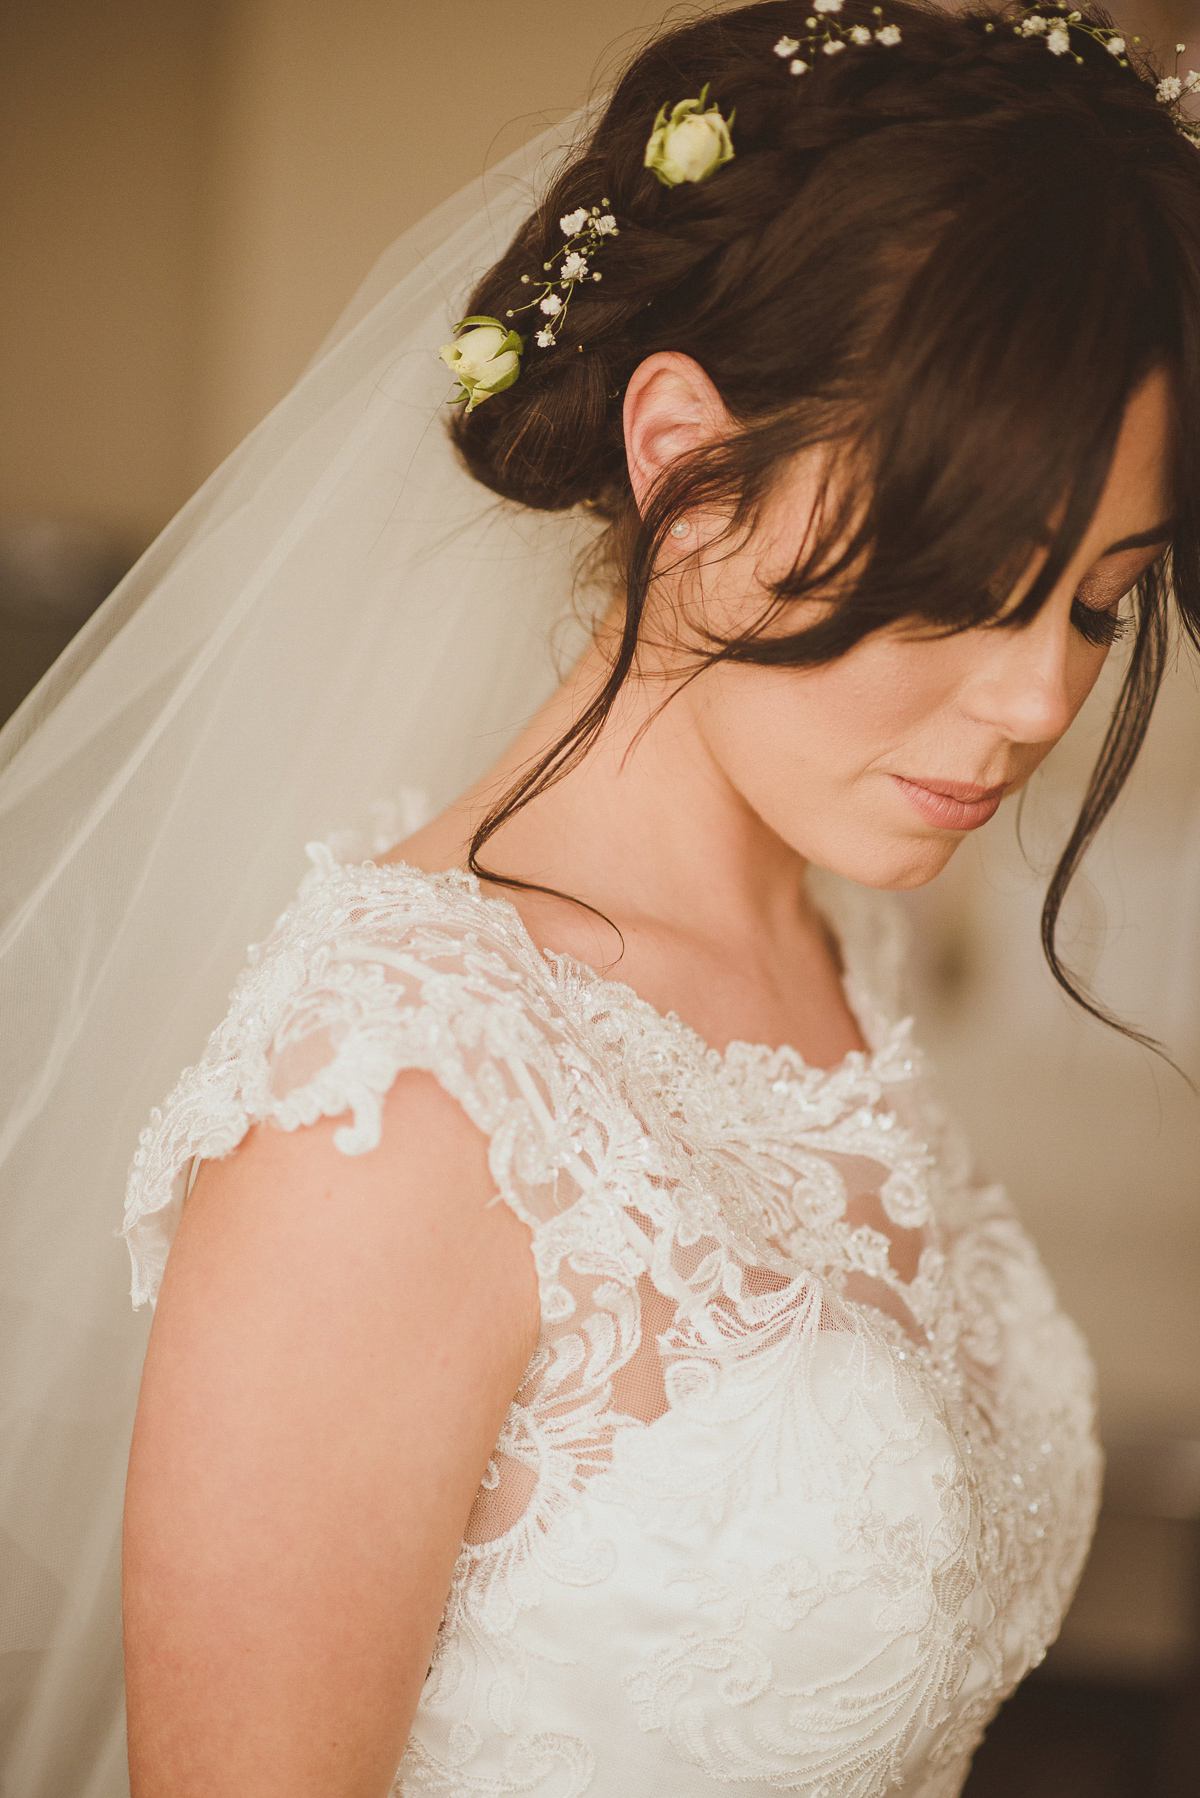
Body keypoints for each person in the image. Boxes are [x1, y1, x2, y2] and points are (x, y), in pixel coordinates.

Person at [2, 2, 1198, 1794]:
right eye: (964, 585)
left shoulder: (838, 940)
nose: (1040, 700)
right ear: (683, 464)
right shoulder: (400, 1107)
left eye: (1099, 604)